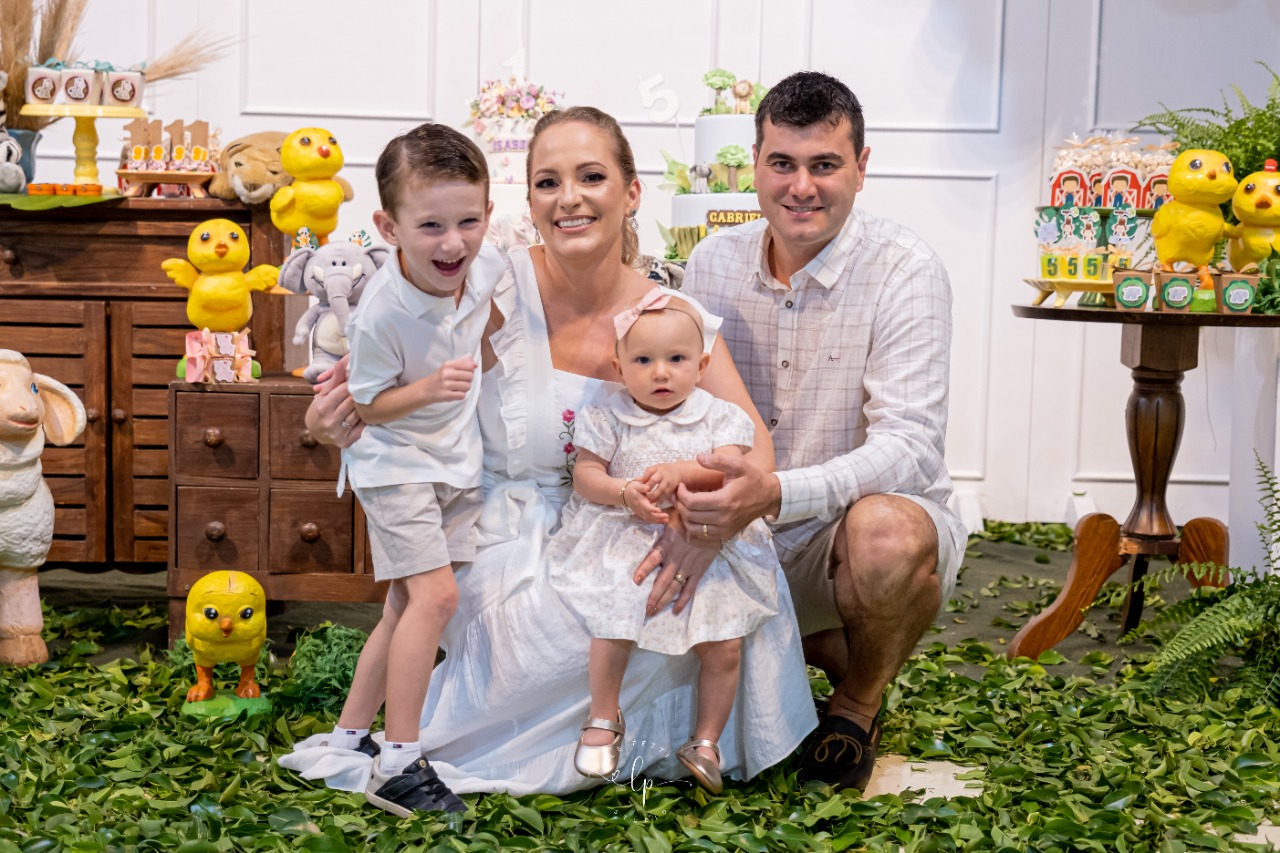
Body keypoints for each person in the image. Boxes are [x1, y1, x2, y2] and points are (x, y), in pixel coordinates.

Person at [280, 106, 816, 797]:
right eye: (547, 181)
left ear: (631, 193)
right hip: (509, 526)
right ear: (526, 201)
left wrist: (707, 530)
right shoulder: (485, 284)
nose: (570, 198)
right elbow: (376, 377)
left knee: (727, 581)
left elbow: (752, 449)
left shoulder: (667, 318)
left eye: (592, 176)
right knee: (579, 623)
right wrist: (332, 420)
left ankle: (692, 739)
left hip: (625, 525)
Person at [641, 70, 968, 793]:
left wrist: (775, 492)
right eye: (782, 163)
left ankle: (855, 704)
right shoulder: (712, 263)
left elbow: (909, 445)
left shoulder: (905, 269)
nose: (802, 186)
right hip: (742, 528)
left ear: (861, 166)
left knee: (886, 536)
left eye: (824, 164)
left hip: (840, 531)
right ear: (755, 163)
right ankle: (819, 647)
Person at [291, 123, 506, 816]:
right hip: (394, 463)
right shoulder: (382, 309)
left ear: (487, 214)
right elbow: (366, 405)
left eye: (468, 221)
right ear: (389, 226)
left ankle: (352, 733)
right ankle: (400, 762)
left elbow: (498, 309)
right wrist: (431, 388)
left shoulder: (487, 265)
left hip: (453, 461)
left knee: (406, 603)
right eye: (432, 225)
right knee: (437, 599)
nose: (453, 243)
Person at [547, 290, 780, 793]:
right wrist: (623, 491)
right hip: (623, 531)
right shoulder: (607, 416)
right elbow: (586, 476)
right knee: (613, 613)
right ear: (618, 365)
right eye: (643, 360)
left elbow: (727, 472)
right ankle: (604, 716)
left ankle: (706, 741)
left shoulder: (720, 417)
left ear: (701, 365)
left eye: (676, 360)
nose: (660, 373)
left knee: (724, 640)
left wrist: (681, 470)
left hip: (704, 535)